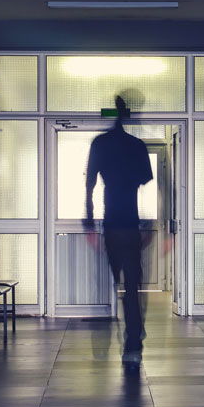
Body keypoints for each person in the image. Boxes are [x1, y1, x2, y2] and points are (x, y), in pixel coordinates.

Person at [85, 94, 153, 370]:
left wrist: (89, 222)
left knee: (113, 282)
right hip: (130, 224)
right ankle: (133, 343)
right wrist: (147, 225)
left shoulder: (100, 144)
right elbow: (147, 186)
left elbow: (89, 185)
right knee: (133, 286)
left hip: (112, 224)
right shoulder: (137, 146)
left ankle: (118, 337)